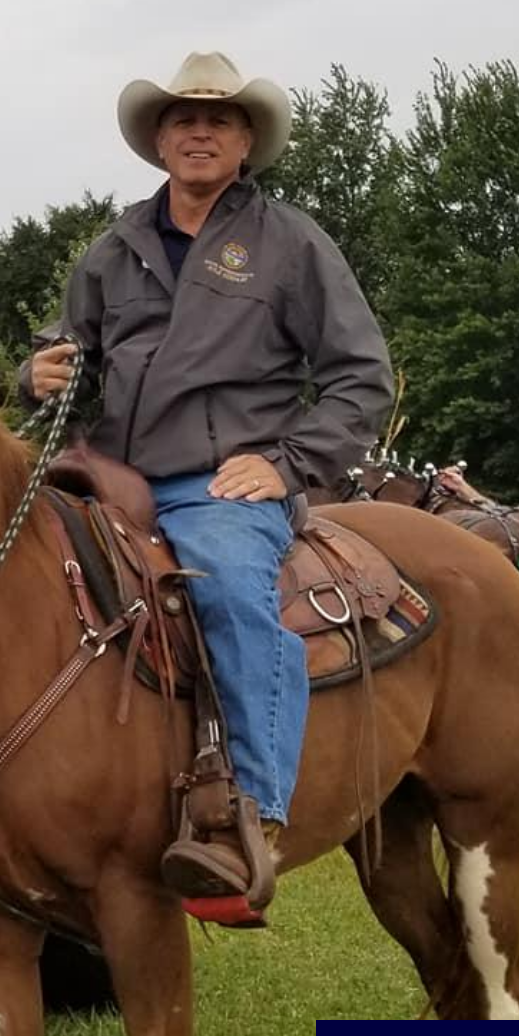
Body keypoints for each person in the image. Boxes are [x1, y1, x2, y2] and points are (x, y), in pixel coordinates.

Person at [32, 51, 394, 918]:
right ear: (159, 140)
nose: (199, 131)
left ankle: (252, 817)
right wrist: (38, 369)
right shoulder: (113, 248)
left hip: (216, 485)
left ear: (245, 143)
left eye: (219, 120)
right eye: (183, 118)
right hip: (102, 475)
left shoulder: (291, 243)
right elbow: (70, 348)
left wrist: (288, 463)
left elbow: (360, 375)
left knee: (231, 591)